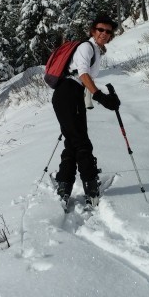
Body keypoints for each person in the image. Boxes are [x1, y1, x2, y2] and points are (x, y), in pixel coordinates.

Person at [52, 14, 121, 207]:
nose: (104, 34)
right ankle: (90, 185)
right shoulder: (86, 47)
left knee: (74, 140)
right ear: (93, 31)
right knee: (80, 142)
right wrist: (100, 97)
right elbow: (82, 73)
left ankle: (65, 184)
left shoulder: (97, 51)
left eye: (108, 31)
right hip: (67, 93)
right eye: (101, 30)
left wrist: (102, 97)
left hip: (74, 96)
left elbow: (84, 77)